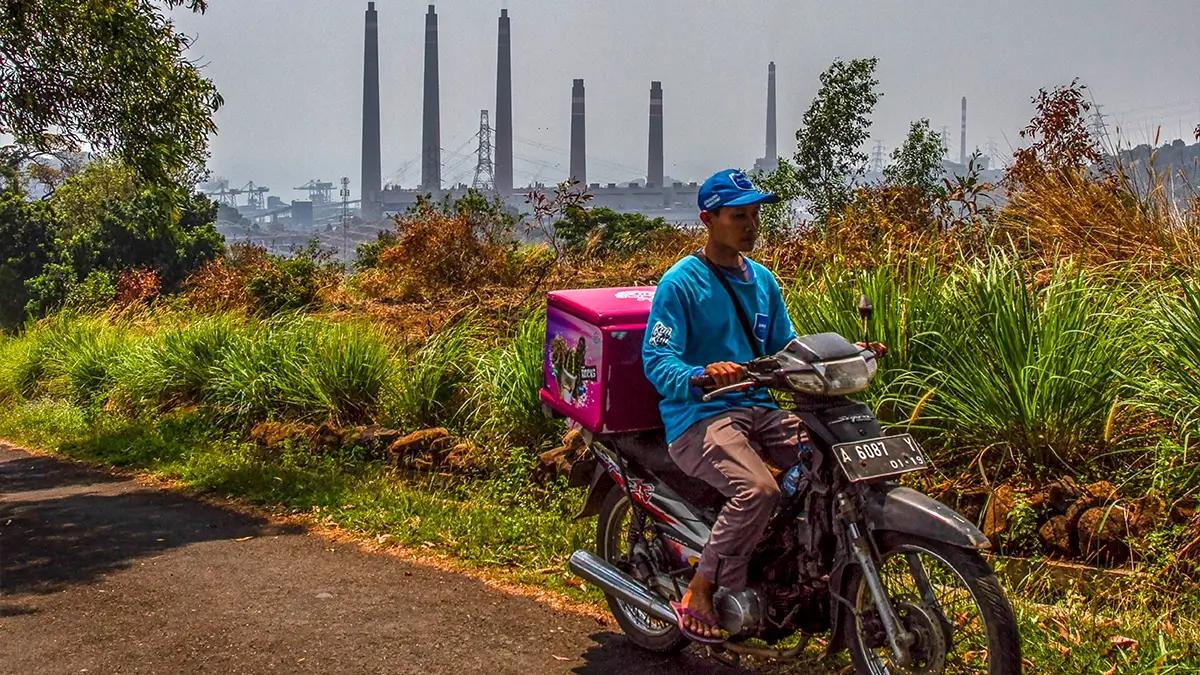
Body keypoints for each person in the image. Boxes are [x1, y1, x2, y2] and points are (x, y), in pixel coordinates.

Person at [641, 169, 804, 643]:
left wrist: (835, 356)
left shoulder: (764, 282)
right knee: (758, 490)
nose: (751, 225)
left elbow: (784, 347)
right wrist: (700, 374)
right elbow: (657, 358)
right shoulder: (681, 283)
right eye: (738, 216)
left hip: (760, 409)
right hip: (701, 417)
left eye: (755, 215)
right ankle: (701, 587)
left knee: (828, 457)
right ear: (708, 220)